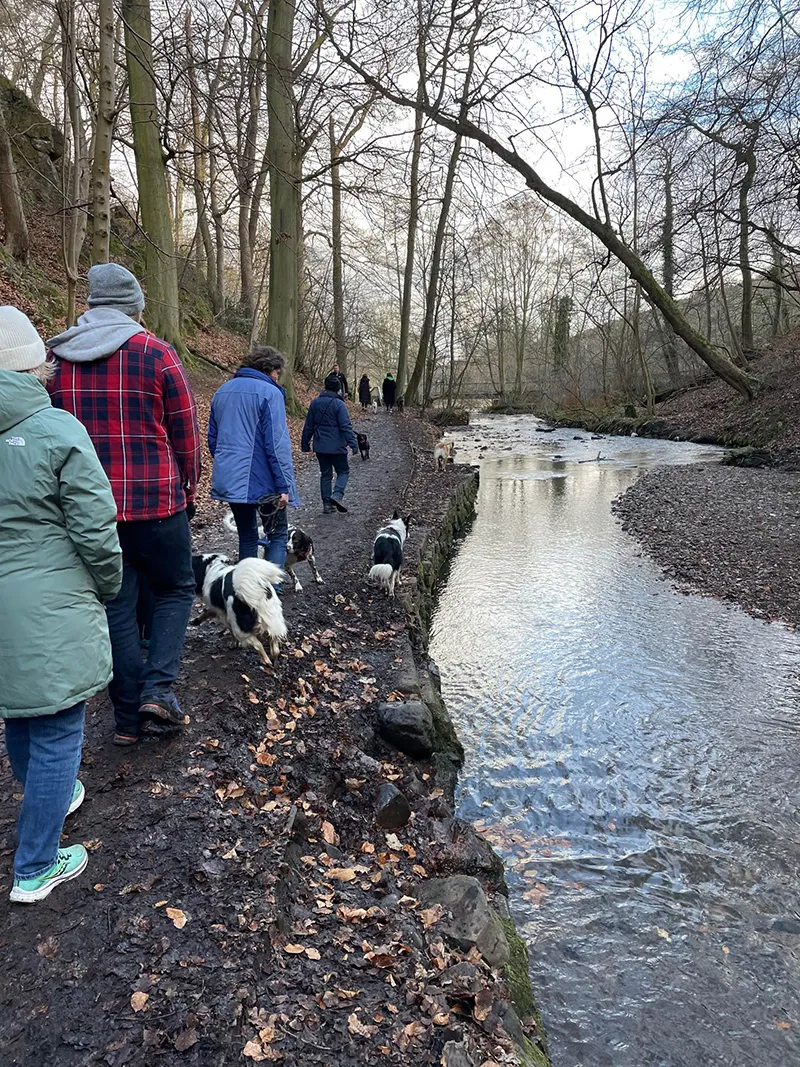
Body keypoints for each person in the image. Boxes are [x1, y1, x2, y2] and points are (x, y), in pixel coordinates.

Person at [47, 263, 201, 746]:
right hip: (156, 503)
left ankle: (128, 722)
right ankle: (159, 689)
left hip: (91, 514)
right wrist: (188, 490)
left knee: (115, 606)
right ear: (135, 306)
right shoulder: (157, 354)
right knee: (176, 589)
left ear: (90, 305)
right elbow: (186, 433)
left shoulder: (55, 361)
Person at [0, 307, 122, 902]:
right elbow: (96, 529)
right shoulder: (56, 431)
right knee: (58, 726)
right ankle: (35, 866)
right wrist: (108, 583)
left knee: (19, 709)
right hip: (48, 600)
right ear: (32, 365)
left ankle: (48, 794)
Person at [208, 345, 298, 562]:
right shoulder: (270, 393)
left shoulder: (223, 391)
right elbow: (276, 445)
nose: (278, 379)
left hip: (231, 479)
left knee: (247, 537)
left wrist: (229, 467)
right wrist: (284, 486)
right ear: (271, 370)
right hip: (264, 481)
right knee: (277, 535)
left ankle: (247, 592)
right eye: (278, 374)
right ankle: (271, 592)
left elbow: (213, 440)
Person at [302, 373, 359, 513]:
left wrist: (305, 444)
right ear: (338, 389)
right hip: (337, 446)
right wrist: (353, 443)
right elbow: (345, 426)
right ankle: (337, 495)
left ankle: (327, 505)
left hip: (320, 446)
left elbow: (308, 425)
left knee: (326, 474)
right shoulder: (339, 405)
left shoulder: (315, 403)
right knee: (343, 471)